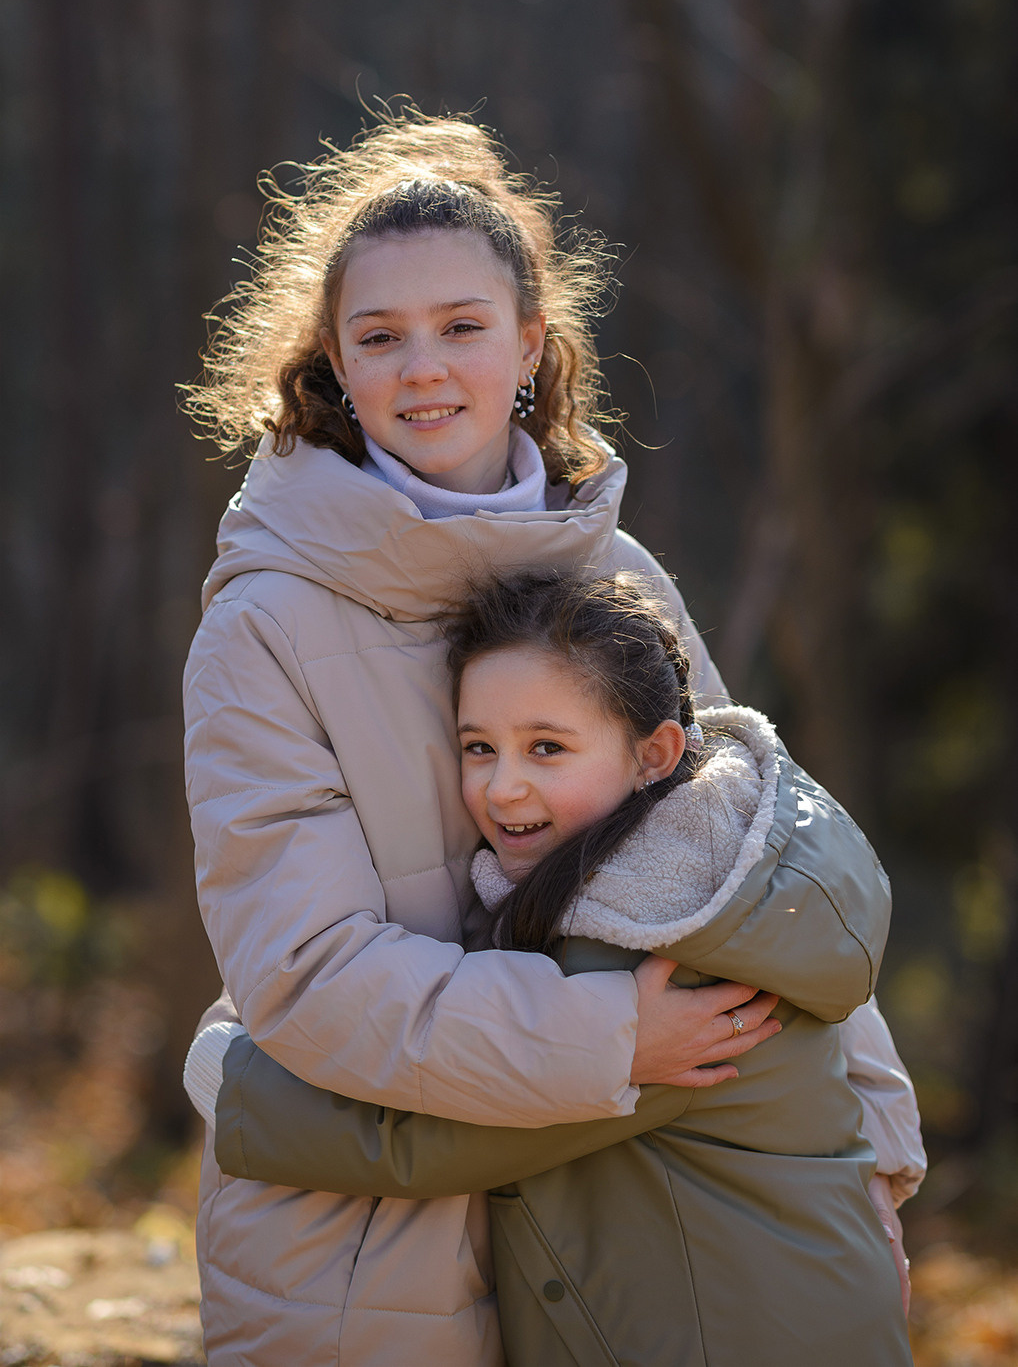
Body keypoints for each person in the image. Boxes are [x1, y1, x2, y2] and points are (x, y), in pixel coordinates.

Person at [181, 112, 924, 1367]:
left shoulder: (616, 577)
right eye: (382, 338)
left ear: (528, 345)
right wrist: (611, 1040)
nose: (425, 371)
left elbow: (750, 866)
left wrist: (872, 1147)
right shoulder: (267, 623)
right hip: (367, 1249)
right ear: (335, 366)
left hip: (630, 1216)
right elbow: (306, 978)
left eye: (463, 328)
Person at [191, 569, 915, 1365]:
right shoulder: (720, 873)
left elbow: (442, 1143)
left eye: (547, 747)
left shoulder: (656, 944)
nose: (504, 788)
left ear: (655, 755)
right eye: (478, 748)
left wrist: (235, 1085)